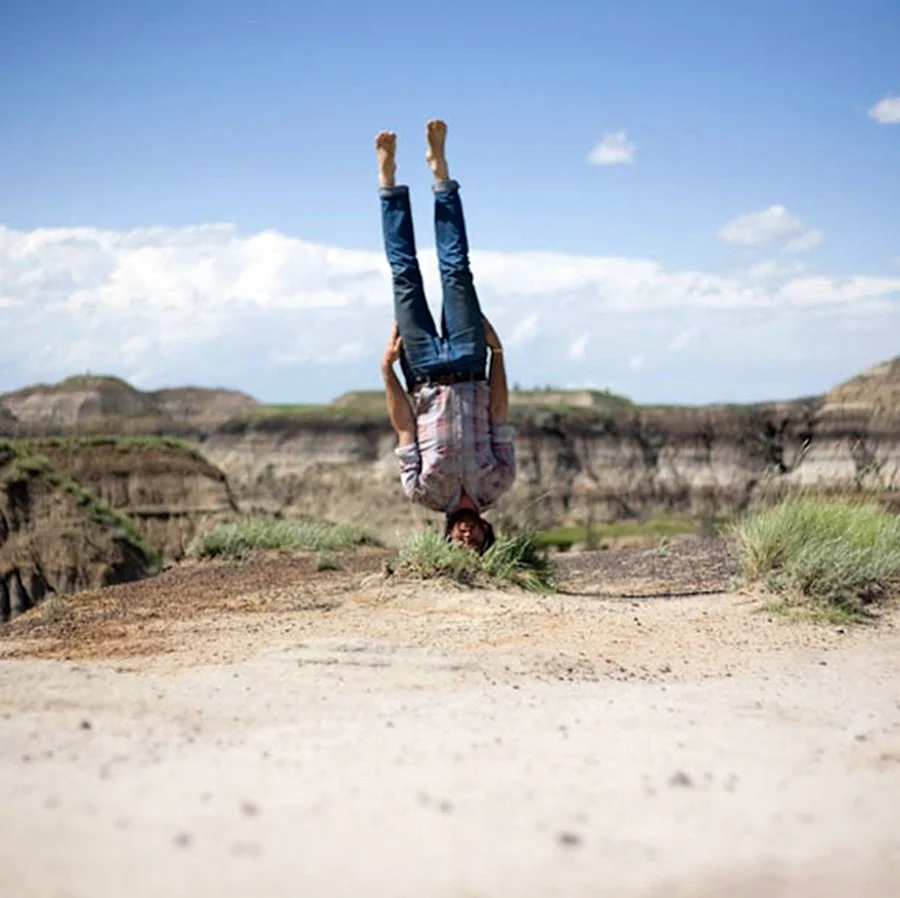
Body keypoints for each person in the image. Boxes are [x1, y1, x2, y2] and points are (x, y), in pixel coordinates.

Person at [376, 120, 515, 553]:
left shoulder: (422, 492)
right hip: (473, 360)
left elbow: (402, 426)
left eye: (459, 541)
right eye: (476, 540)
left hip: (421, 371)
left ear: (448, 535)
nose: (467, 535)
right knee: (456, 270)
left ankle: (388, 184)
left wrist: (386, 370)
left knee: (405, 276)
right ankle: (440, 174)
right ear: (489, 534)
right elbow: (498, 412)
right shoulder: (500, 480)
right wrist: (497, 353)